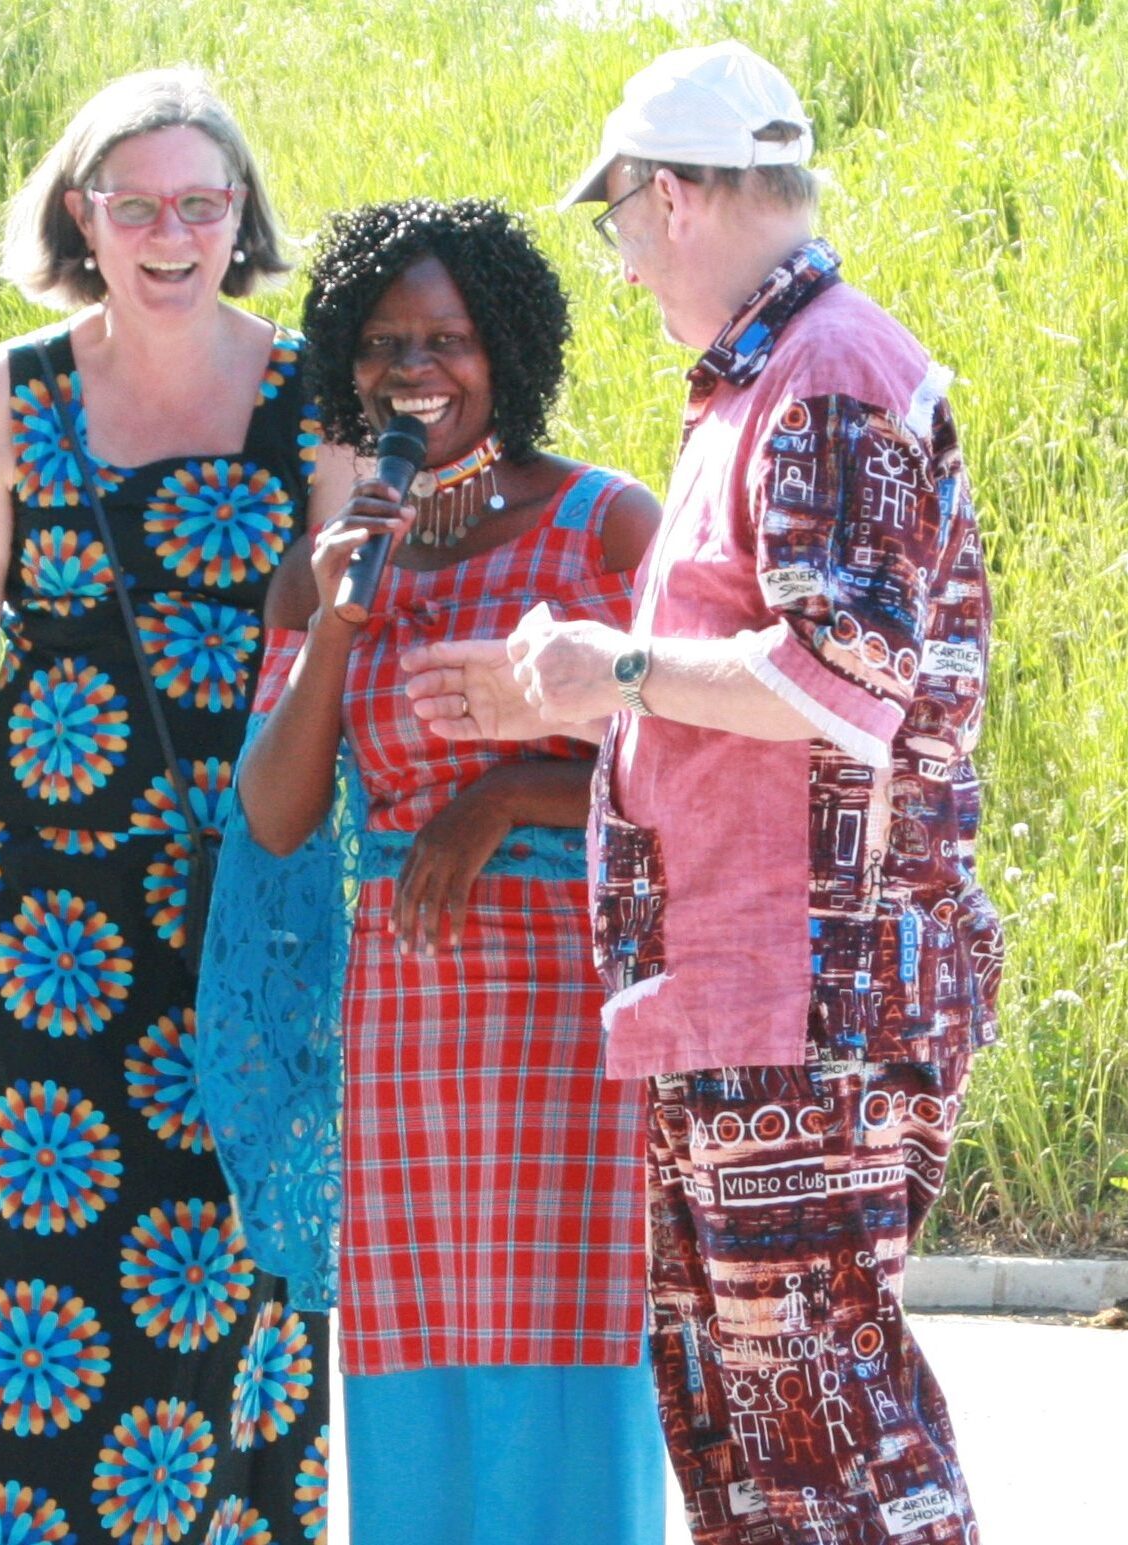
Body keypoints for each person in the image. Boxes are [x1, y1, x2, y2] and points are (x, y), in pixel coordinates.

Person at [402, 42, 1001, 1545]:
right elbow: (762, 679)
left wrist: (611, 666)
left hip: (810, 1002)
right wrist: (588, 695)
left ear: (668, 197)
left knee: (829, 1441)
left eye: (616, 223)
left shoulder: (828, 378)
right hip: (748, 996)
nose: (618, 263)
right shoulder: (768, 380)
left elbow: (842, 680)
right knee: (754, 1446)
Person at [0, 68, 330, 1545]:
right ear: (83, 215)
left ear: (241, 215)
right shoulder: (10, 397)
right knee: (33, 1276)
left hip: (252, 913)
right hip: (42, 931)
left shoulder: (316, 395)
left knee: (237, 1286)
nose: (172, 235)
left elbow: (357, 655)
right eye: (137, 206)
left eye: (202, 203)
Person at [230, 196, 666, 1544]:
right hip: (407, 1020)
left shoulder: (602, 527)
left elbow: (701, 771)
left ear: (507, 350)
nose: (412, 368)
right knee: (418, 1362)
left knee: (572, 1351)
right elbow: (277, 816)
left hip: (575, 1013)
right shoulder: (325, 569)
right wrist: (337, 614)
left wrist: (507, 794)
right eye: (381, 343)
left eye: (447, 338)